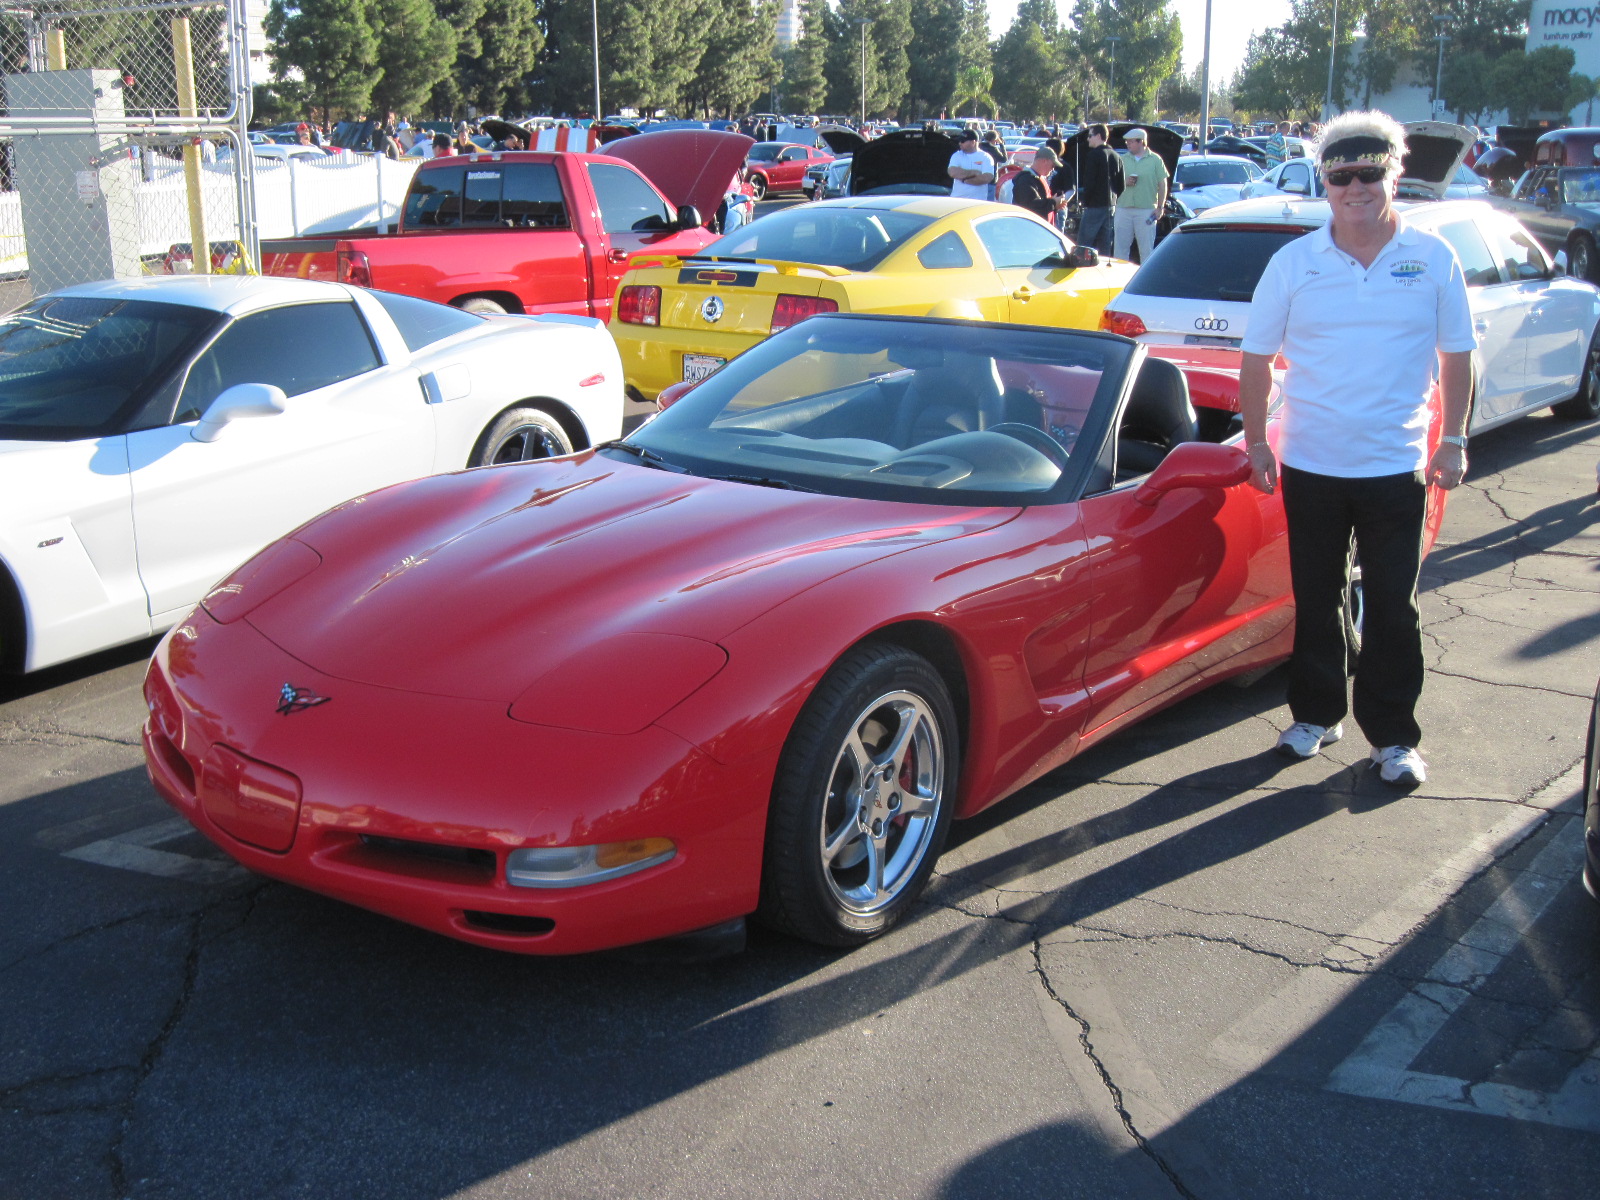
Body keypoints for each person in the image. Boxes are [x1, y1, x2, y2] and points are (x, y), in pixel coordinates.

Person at [1236, 109, 1475, 786]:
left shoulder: (1432, 257)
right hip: (1311, 462)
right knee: (1317, 599)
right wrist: (1256, 444)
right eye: (1341, 176)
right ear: (1325, 182)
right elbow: (1256, 360)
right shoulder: (1294, 263)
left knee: (1394, 606)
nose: (1356, 188)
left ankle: (1393, 738)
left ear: (1394, 175)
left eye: (1370, 173)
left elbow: (1457, 355)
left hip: (1396, 465)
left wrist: (1453, 439)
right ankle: (1316, 715)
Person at [1113, 128, 1167, 263]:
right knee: (1120, 250)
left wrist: (1160, 207)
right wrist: (1124, 182)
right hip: (1123, 208)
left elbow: (1163, 185)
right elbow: (1113, 183)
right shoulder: (1122, 159)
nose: (1128, 144)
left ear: (1141, 142)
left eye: (1131, 142)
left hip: (1146, 209)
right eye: (1127, 142)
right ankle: (1120, 276)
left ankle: (1145, 275)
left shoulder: (1155, 160)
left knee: (1146, 250)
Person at [1066, 123, 1120, 255]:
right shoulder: (1116, 156)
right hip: (1111, 206)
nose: (1088, 139)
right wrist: (1114, 198)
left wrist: (1086, 201)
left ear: (1099, 136)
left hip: (1094, 206)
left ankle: (1079, 264)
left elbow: (1089, 182)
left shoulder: (1094, 155)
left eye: (1090, 136)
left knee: (1083, 243)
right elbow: (1121, 184)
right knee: (1105, 245)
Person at [1011, 147, 1066, 222]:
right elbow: (1031, 207)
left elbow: (1041, 208)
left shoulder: (1037, 178)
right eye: (1052, 165)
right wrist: (1053, 202)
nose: (1053, 169)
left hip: (1039, 226)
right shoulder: (1025, 180)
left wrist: (1056, 205)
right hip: (1030, 227)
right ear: (1044, 161)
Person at [947, 128, 995, 200]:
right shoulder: (956, 155)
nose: (960, 143)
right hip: (957, 200)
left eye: (963, 141)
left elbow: (987, 177)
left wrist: (965, 180)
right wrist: (974, 173)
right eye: (959, 141)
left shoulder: (986, 157)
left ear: (973, 142)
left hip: (977, 201)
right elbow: (952, 172)